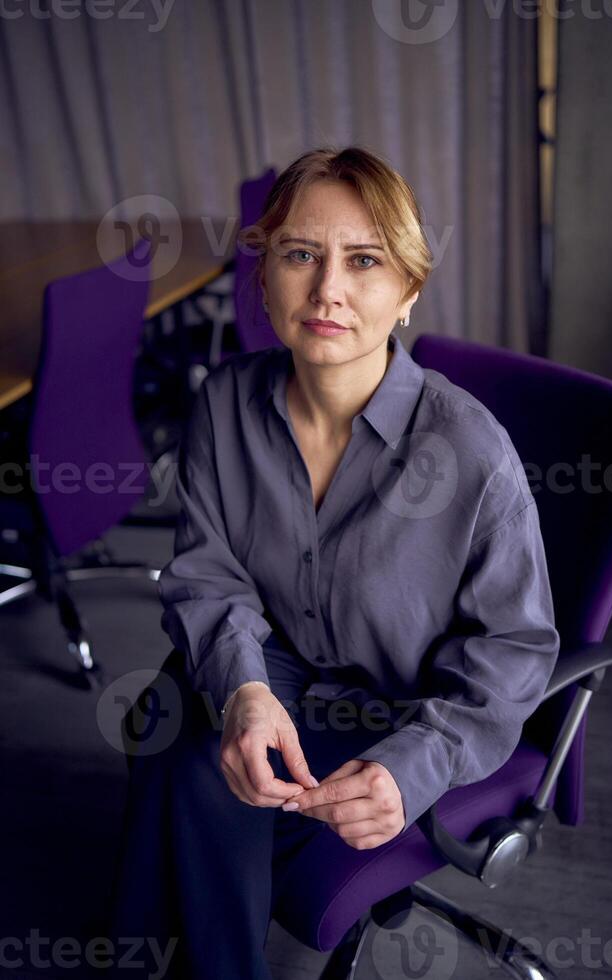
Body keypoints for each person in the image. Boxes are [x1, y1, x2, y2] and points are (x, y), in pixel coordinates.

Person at [105, 146, 560, 979]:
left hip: (401, 707)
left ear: (408, 290)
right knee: (182, 719)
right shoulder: (223, 404)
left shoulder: (469, 452)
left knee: (190, 765)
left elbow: (513, 657)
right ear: (265, 272)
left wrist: (411, 767)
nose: (327, 291)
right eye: (300, 255)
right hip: (278, 664)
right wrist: (245, 689)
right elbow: (211, 574)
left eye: (364, 262)